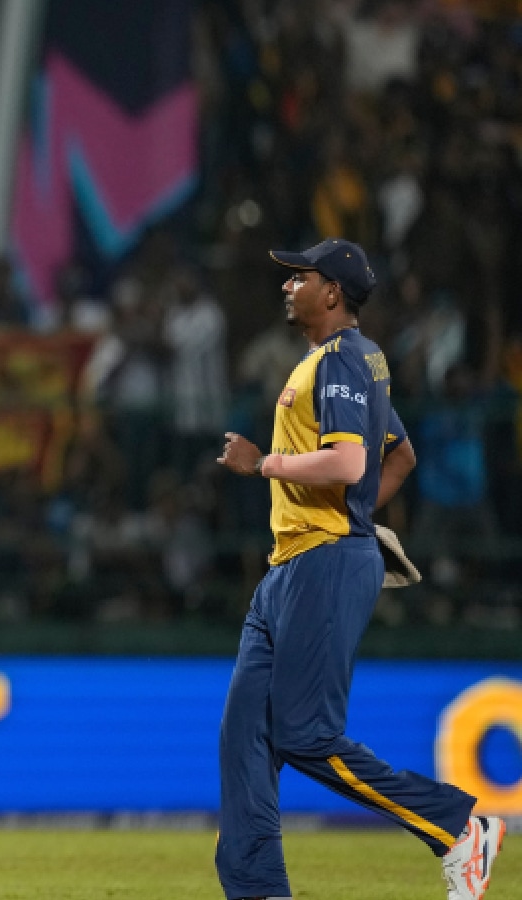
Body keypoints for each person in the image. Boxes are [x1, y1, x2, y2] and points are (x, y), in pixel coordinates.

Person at [215, 239, 503, 900]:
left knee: (305, 735)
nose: (288, 285)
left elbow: (349, 464)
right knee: (245, 736)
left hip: (320, 563)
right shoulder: (338, 364)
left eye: (301, 276)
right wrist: (354, 515)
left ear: (333, 293)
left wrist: (266, 466)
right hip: (289, 568)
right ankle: (258, 890)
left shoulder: (348, 358)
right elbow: (397, 456)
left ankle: (458, 827)